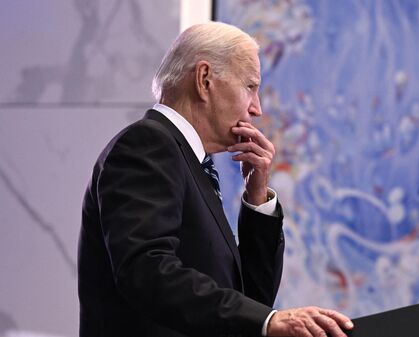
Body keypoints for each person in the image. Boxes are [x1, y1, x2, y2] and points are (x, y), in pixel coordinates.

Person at [78, 21, 354, 337]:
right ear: (205, 79)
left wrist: (257, 198)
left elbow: (251, 299)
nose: (257, 108)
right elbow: (146, 271)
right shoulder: (147, 145)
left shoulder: (191, 163)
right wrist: (266, 321)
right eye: (250, 86)